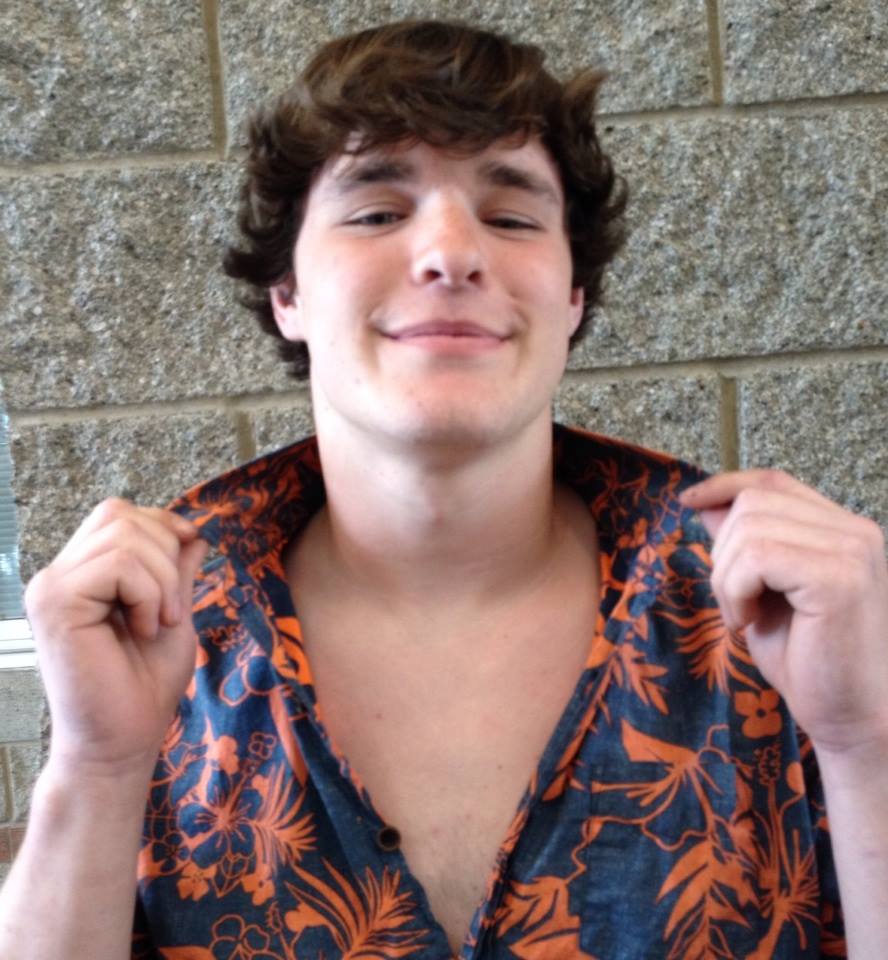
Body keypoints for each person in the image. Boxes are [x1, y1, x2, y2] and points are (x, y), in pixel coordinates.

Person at [1, 18, 886, 960]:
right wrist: (95, 767)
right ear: (287, 294)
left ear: (573, 295)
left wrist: (866, 742)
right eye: (378, 213)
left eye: (511, 218)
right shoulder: (159, 626)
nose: (450, 254)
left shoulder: (770, 611)